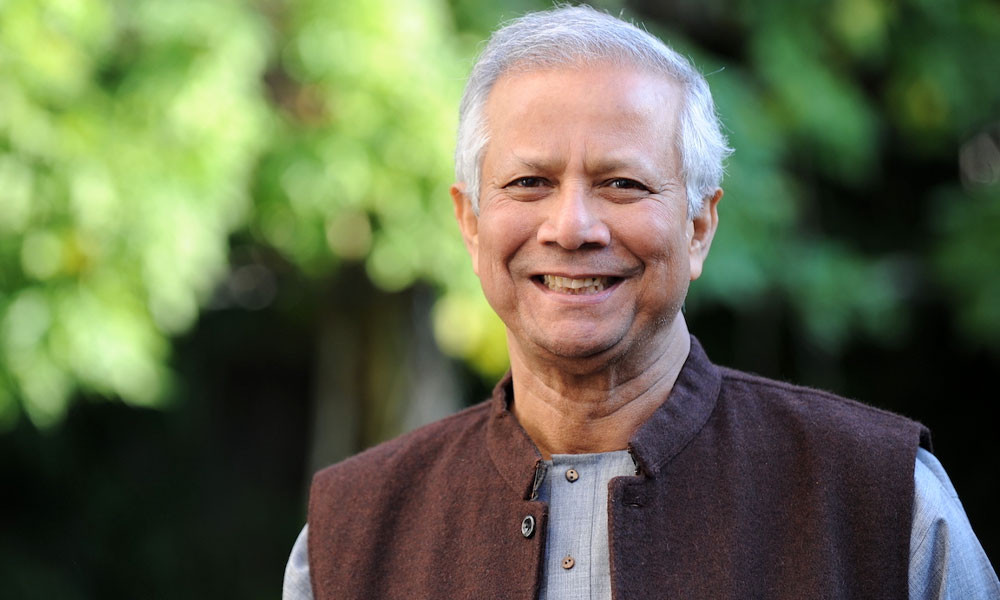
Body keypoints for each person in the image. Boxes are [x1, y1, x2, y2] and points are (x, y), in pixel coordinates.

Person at [284, 5, 999, 599]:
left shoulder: (882, 502)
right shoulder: (349, 537)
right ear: (471, 223)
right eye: (529, 183)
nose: (572, 228)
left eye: (622, 184)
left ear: (699, 226)